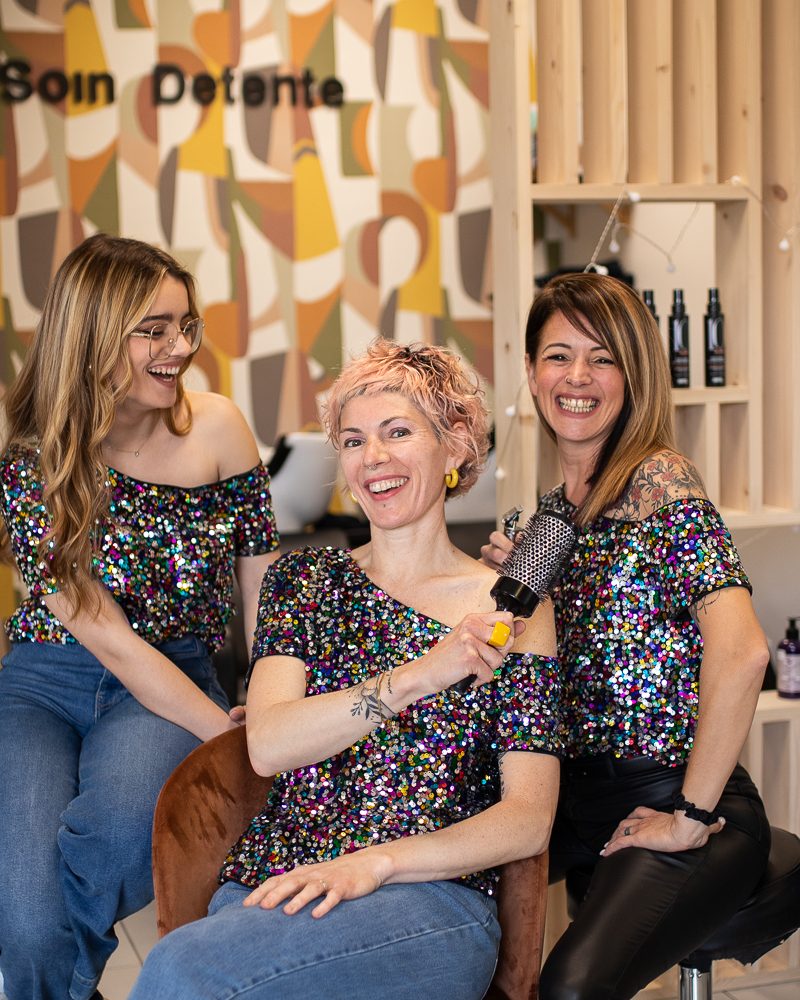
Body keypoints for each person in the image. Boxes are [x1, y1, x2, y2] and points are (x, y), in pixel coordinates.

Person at [130, 339, 561, 1000]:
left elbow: (527, 818)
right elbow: (270, 744)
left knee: (181, 973)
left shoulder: (509, 612)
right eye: (354, 440)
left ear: (454, 445)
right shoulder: (303, 581)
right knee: (198, 967)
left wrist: (377, 865)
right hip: (282, 882)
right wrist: (423, 673)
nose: (374, 459)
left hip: (427, 904)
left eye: (398, 432)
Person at [0, 234, 280, 1000]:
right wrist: (226, 733)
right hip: (43, 682)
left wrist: (264, 695)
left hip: (172, 675)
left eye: (185, 325)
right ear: (91, 333)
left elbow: (264, 586)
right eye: (152, 329)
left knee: (121, 845)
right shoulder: (31, 459)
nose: (179, 347)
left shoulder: (218, 427)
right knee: (23, 920)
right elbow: (111, 641)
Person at [481, 272, 771, 1000]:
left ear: (632, 375)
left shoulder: (659, 481)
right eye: (558, 356)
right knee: (449, 931)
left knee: (571, 989)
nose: (577, 377)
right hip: (567, 798)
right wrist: (504, 601)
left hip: (678, 791)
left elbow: (743, 654)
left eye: (602, 357)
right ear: (530, 371)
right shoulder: (543, 521)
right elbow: (507, 674)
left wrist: (690, 817)